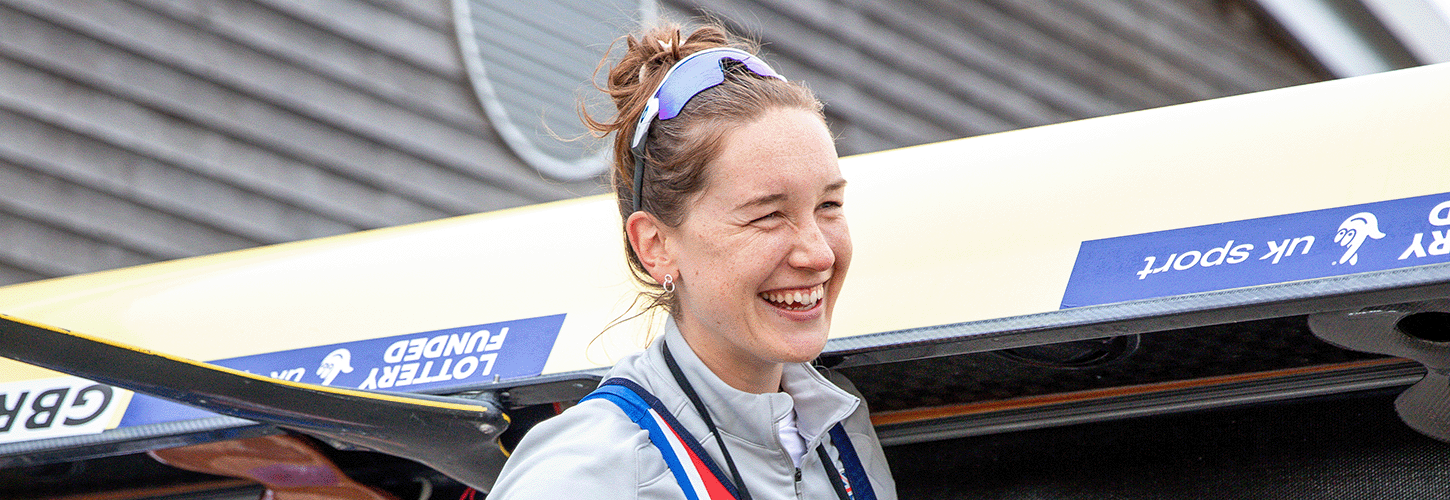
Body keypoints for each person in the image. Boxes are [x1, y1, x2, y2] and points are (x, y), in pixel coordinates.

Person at [489, 22, 896, 500]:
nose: (819, 253)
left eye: (828, 206)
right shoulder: (590, 470)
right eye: (767, 215)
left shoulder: (842, 428)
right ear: (656, 246)